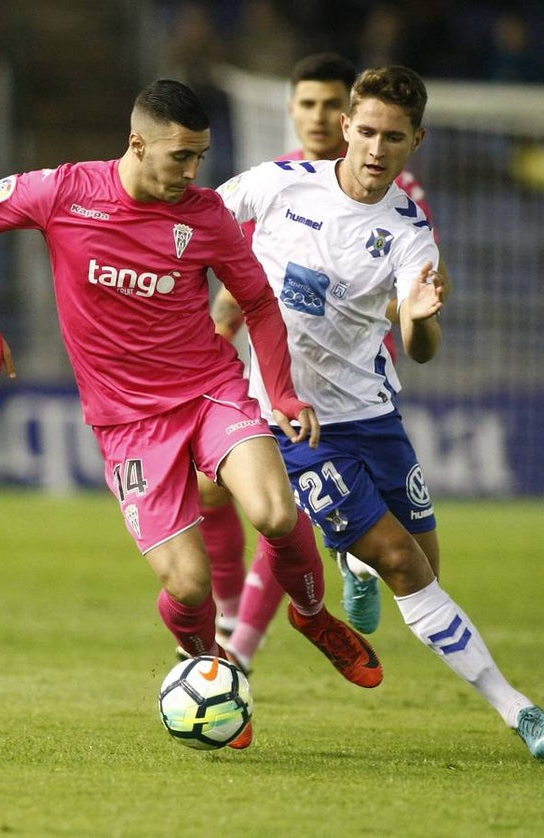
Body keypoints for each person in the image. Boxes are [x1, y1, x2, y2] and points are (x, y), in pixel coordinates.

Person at [0, 78, 385, 752]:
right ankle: (209, 667)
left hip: (210, 392)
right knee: (189, 584)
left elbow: (257, 302)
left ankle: (313, 616)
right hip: (127, 426)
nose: (193, 172)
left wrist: (283, 394)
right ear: (137, 143)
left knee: (276, 513)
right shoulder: (64, 192)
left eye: (201, 156)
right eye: (181, 157)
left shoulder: (204, 216)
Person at [215, 65, 544, 758]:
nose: (377, 149)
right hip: (296, 422)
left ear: (417, 142)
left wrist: (418, 319)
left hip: (373, 414)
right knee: (403, 564)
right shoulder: (276, 184)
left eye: (395, 138)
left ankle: (351, 566)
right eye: (368, 132)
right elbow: (198, 222)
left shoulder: (409, 233)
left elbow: (423, 346)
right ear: (346, 128)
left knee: (427, 570)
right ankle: (520, 711)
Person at [194, 53, 451, 673]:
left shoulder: (400, 199)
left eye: (327, 104)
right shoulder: (282, 180)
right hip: (278, 378)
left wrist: (407, 310)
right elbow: (252, 262)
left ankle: (259, 634)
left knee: (314, 523)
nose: (317, 117)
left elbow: (395, 292)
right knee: (223, 494)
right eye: (306, 105)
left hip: (357, 383)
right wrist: (221, 320)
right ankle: (242, 631)